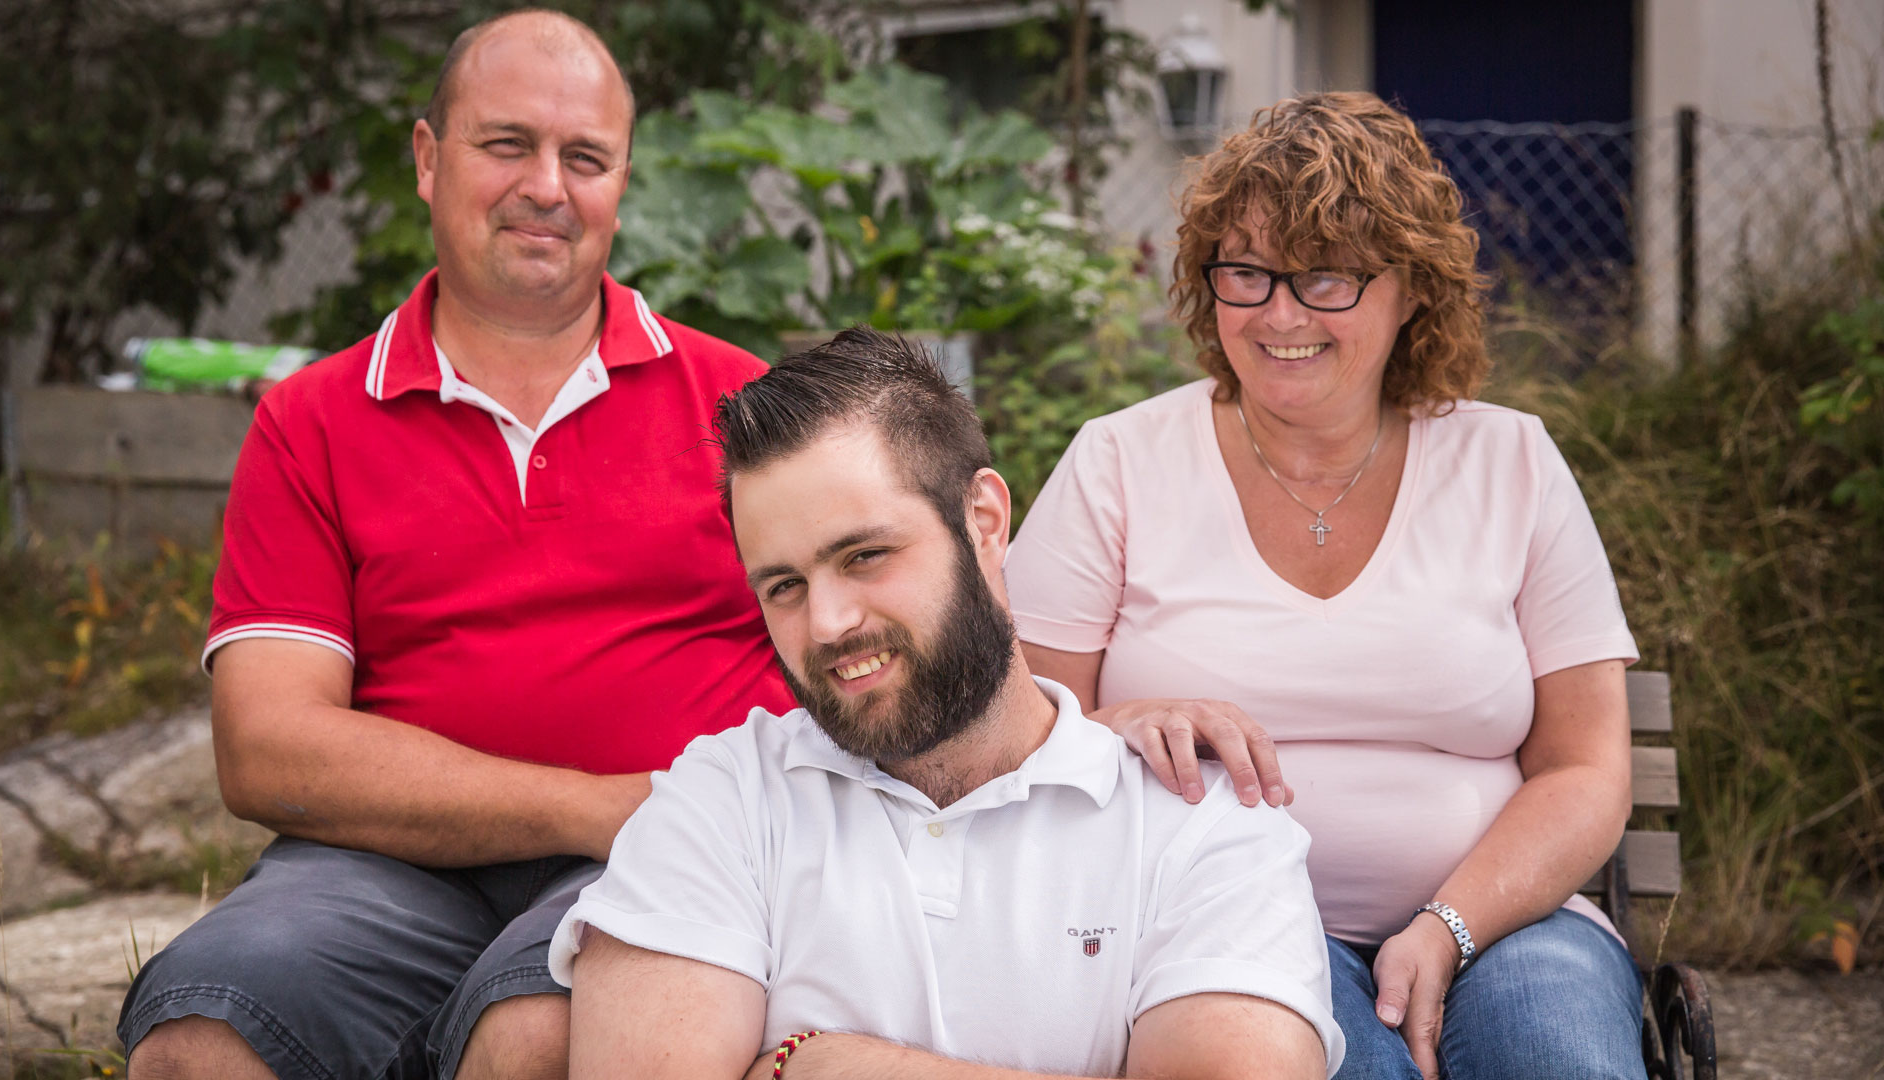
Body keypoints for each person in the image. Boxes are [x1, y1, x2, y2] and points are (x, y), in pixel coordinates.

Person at [118, 11, 792, 1080]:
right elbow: (269, 749)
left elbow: (870, 648)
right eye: (507, 144)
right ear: (428, 159)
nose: (547, 187)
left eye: (586, 158)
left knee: (537, 1039)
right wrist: (595, 804)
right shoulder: (314, 420)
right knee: (201, 1044)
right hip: (381, 868)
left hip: (670, 854)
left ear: (622, 182)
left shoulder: (747, 407)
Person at [1003, 92, 1643, 1080]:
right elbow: (1014, 734)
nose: (1281, 314)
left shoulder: (1511, 461)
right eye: (1247, 272)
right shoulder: (1118, 463)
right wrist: (1111, 724)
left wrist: (1447, 927)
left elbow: (1586, 768)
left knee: (1562, 1061)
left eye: (1327, 278)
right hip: (1220, 926)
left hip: (1507, 923)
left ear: (1413, 288)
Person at [551, 328, 1346, 1080]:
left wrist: (827, 1064)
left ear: (985, 520)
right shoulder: (723, 799)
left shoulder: (1203, 816)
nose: (827, 623)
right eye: (784, 586)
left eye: (865, 556)